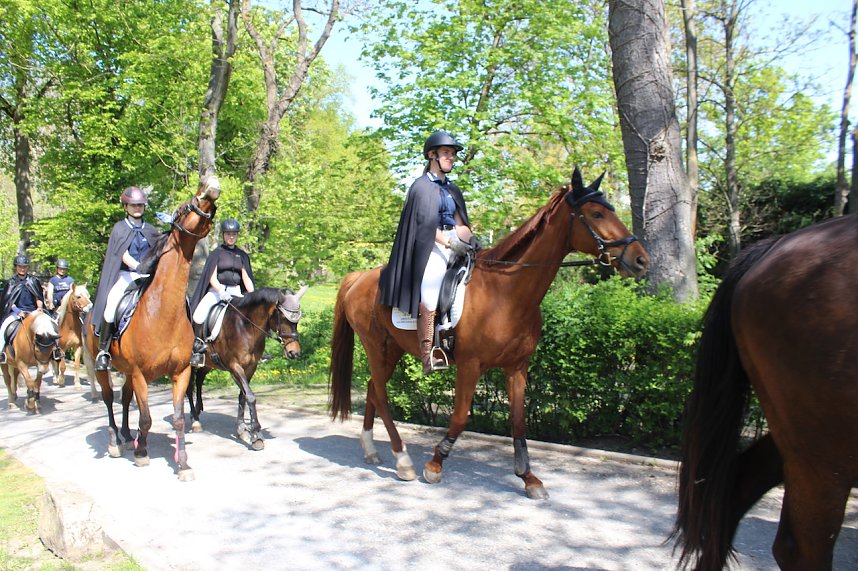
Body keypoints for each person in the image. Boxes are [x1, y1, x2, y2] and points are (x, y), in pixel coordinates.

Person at [378, 130, 477, 375]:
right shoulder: (421, 187)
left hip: (453, 239)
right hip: (430, 245)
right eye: (447, 153)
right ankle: (429, 354)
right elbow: (425, 227)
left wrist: (472, 240)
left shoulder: (452, 189)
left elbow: (460, 223)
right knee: (431, 292)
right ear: (432, 155)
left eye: (453, 154)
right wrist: (450, 244)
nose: (451, 158)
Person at [90, 186, 160, 371]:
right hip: (127, 275)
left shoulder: (151, 230)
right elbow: (122, 254)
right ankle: (103, 351)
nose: (137, 208)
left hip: (149, 275)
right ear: (126, 207)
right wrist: (137, 266)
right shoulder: (120, 229)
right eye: (133, 205)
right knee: (111, 305)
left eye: (140, 205)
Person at [189, 218, 255, 367]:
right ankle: (198, 348)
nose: (231, 237)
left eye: (234, 234)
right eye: (228, 234)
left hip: (236, 291)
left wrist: (253, 295)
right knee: (198, 316)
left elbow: (246, 277)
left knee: (252, 316)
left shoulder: (242, 255)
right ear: (223, 235)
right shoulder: (216, 253)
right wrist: (221, 291)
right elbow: (211, 277)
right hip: (217, 290)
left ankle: (255, 348)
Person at [0, 255, 45, 364]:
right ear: (16, 267)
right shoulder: (11, 282)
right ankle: (1, 352)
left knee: (50, 324)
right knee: (4, 327)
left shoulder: (34, 281)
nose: (22, 269)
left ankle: (55, 351)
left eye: (24, 266)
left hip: (33, 311)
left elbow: (39, 297)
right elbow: (9, 302)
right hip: (16, 312)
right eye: (20, 266)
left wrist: (39, 308)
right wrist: (18, 312)